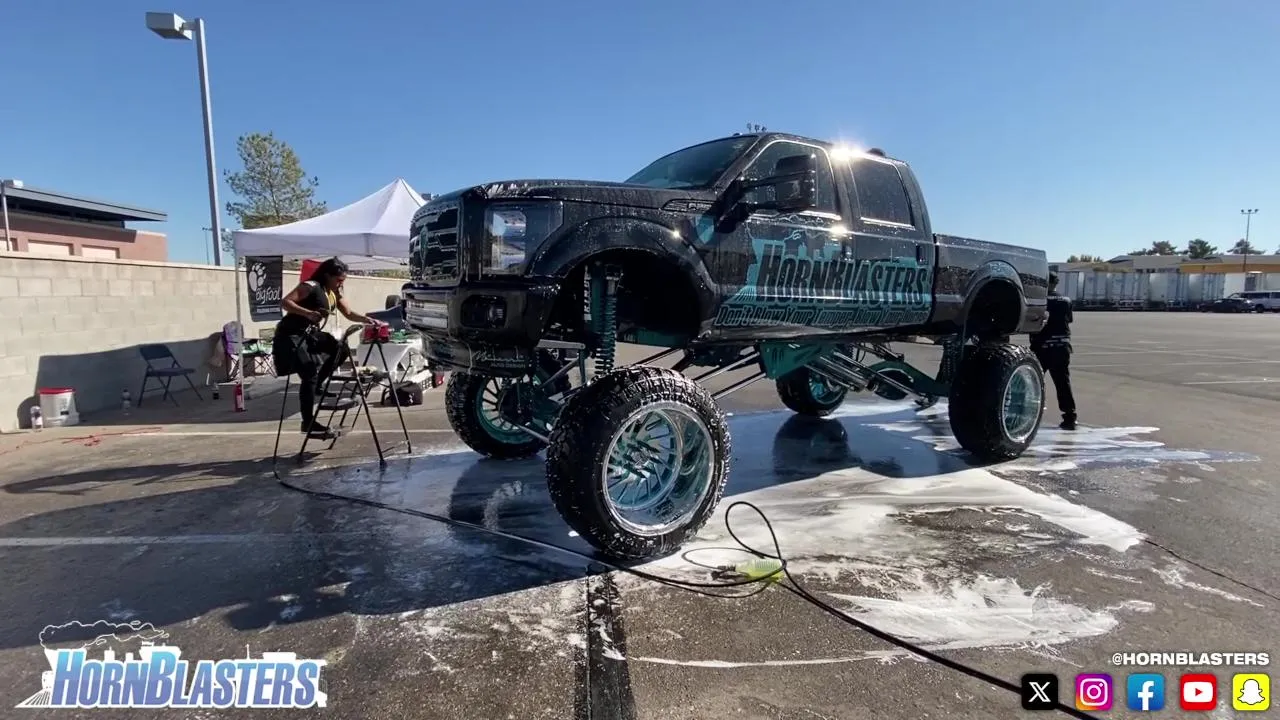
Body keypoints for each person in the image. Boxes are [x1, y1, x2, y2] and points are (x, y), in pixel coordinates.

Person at [273, 258, 383, 439]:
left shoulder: (333, 292)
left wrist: (367, 320)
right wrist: (308, 313)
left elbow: (348, 313)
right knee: (308, 373)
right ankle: (308, 422)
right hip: (291, 334)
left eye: (343, 280)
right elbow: (285, 302)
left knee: (341, 349)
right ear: (327, 275)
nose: (341, 284)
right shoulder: (311, 286)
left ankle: (318, 385)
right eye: (338, 280)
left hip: (310, 333)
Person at [1030, 272, 1076, 430]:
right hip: (1062, 346)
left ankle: (1030, 414)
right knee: (1063, 382)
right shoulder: (1066, 300)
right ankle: (1070, 417)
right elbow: (1069, 320)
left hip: (1042, 347)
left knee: (1033, 383)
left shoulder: (1040, 300)